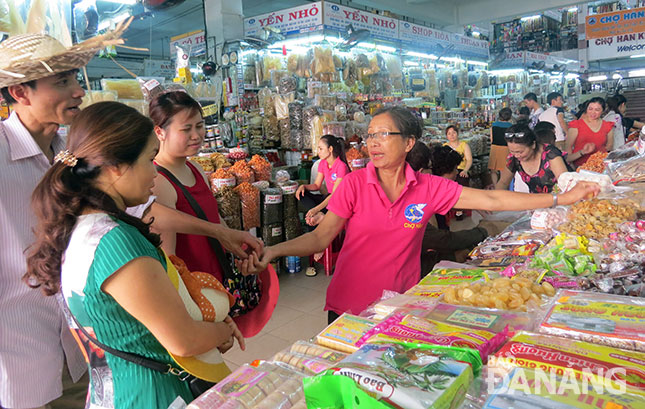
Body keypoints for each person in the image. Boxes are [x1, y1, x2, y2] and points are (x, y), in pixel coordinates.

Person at [0, 32, 260, 409]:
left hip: (89, 340)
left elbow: (145, 208)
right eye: (62, 81)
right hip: (20, 340)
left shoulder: (75, 151)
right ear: (21, 93)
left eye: (76, 78)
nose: (77, 91)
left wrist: (220, 232)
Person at [237, 106, 600, 324]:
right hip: (347, 305)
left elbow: (493, 202)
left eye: (383, 135)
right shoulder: (353, 184)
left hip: (401, 302)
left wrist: (560, 199)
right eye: (369, 136)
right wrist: (274, 251)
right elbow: (320, 237)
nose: (372, 142)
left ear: (409, 142)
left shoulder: (427, 187)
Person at [24, 102, 245, 408]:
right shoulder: (117, 243)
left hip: (112, 392)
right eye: (149, 159)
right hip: (154, 394)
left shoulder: (79, 230)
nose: (155, 171)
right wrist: (221, 330)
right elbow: (184, 340)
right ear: (115, 165)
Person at [407, 144, 488, 274]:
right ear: (422, 172)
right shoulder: (414, 206)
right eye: (430, 168)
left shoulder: (428, 195)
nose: (457, 173)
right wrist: (484, 232)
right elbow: (442, 240)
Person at [495, 124, 568, 194]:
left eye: (520, 152)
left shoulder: (550, 154)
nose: (516, 155)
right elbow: (503, 183)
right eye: (512, 151)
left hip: (559, 200)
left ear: (533, 145)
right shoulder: (514, 159)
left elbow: (565, 184)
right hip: (536, 202)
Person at [296, 135, 350, 225]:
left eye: (321, 149)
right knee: (301, 193)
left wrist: (316, 209)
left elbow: (334, 195)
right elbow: (317, 185)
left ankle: (318, 214)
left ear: (330, 149)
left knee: (324, 204)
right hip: (328, 198)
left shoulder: (341, 166)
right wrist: (303, 186)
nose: (318, 152)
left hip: (339, 201)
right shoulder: (323, 163)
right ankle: (319, 214)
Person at [566, 97, 614, 168]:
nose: (593, 112)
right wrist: (572, 164)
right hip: (580, 166)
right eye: (590, 109)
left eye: (597, 110)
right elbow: (568, 150)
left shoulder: (608, 125)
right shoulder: (576, 125)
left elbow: (609, 146)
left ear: (603, 111)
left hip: (600, 167)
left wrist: (599, 155)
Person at [488, 107, 513, 185]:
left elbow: (491, 139)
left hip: (494, 148)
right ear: (510, 116)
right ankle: (502, 187)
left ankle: (495, 186)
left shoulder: (494, 125)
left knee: (493, 169)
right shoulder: (511, 126)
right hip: (506, 148)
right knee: (503, 169)